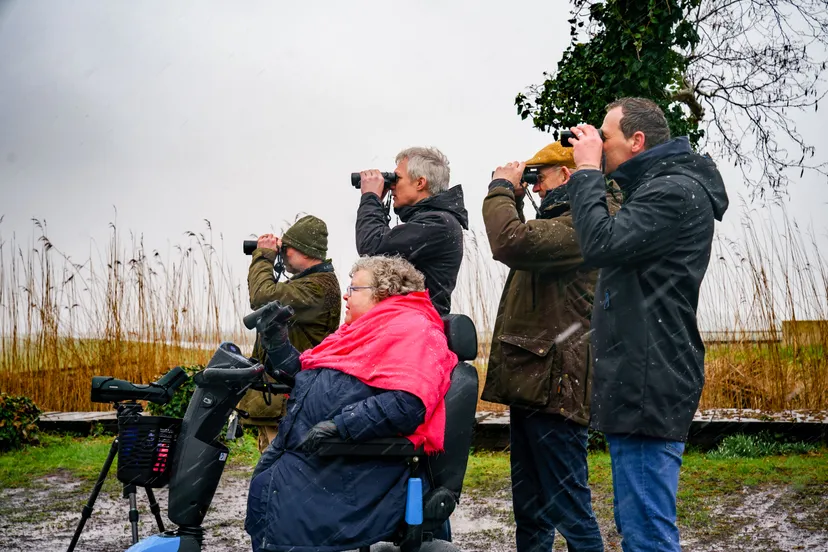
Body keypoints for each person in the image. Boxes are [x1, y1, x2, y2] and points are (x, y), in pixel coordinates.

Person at [566, 97, 729, 551]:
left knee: (646, 534)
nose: (598, 145)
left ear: (637, 141)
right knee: (637, 524)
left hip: (648, 380)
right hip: (644, 375)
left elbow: (600, 243)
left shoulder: (672, 191)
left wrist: (586, 172)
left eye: (605, 137)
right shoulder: (660, 187)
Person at [245, 256, 457, 552]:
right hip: (319, 461)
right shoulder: (357, 334)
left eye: (354, 289)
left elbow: (408, 403)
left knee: (282, 517)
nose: (346, 296)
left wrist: (341, 426)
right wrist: (277, 342)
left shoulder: (413, 330)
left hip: (351, 470)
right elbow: (310, 380)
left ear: (384, 292)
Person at [481, 142, 611, 552]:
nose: (535, 186)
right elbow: (527, 243)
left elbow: (511, 242)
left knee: (569, 508)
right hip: (536, 383)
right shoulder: (565, 222)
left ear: (567, 175)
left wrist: (501, 189)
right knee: (532, 509)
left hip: (556, 386)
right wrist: (516, 199)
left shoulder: (585, 223)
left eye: (540, 177)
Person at [241, 214, 341, 452]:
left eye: (286, 248)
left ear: (304, 251)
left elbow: (262, 297)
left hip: (291, 398)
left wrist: (264, 256)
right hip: (286, 395)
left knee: (277, 464)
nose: (282, 253)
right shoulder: (311, 283)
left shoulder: (317, 287)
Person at [355, 146, 468, 316]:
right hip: (412, 319)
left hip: (418, 322)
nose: (392, 186)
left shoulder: (438, 223)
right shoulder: (432, 221)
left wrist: (371, 198)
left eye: (397, 178)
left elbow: (371, 246)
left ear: (420, 183)